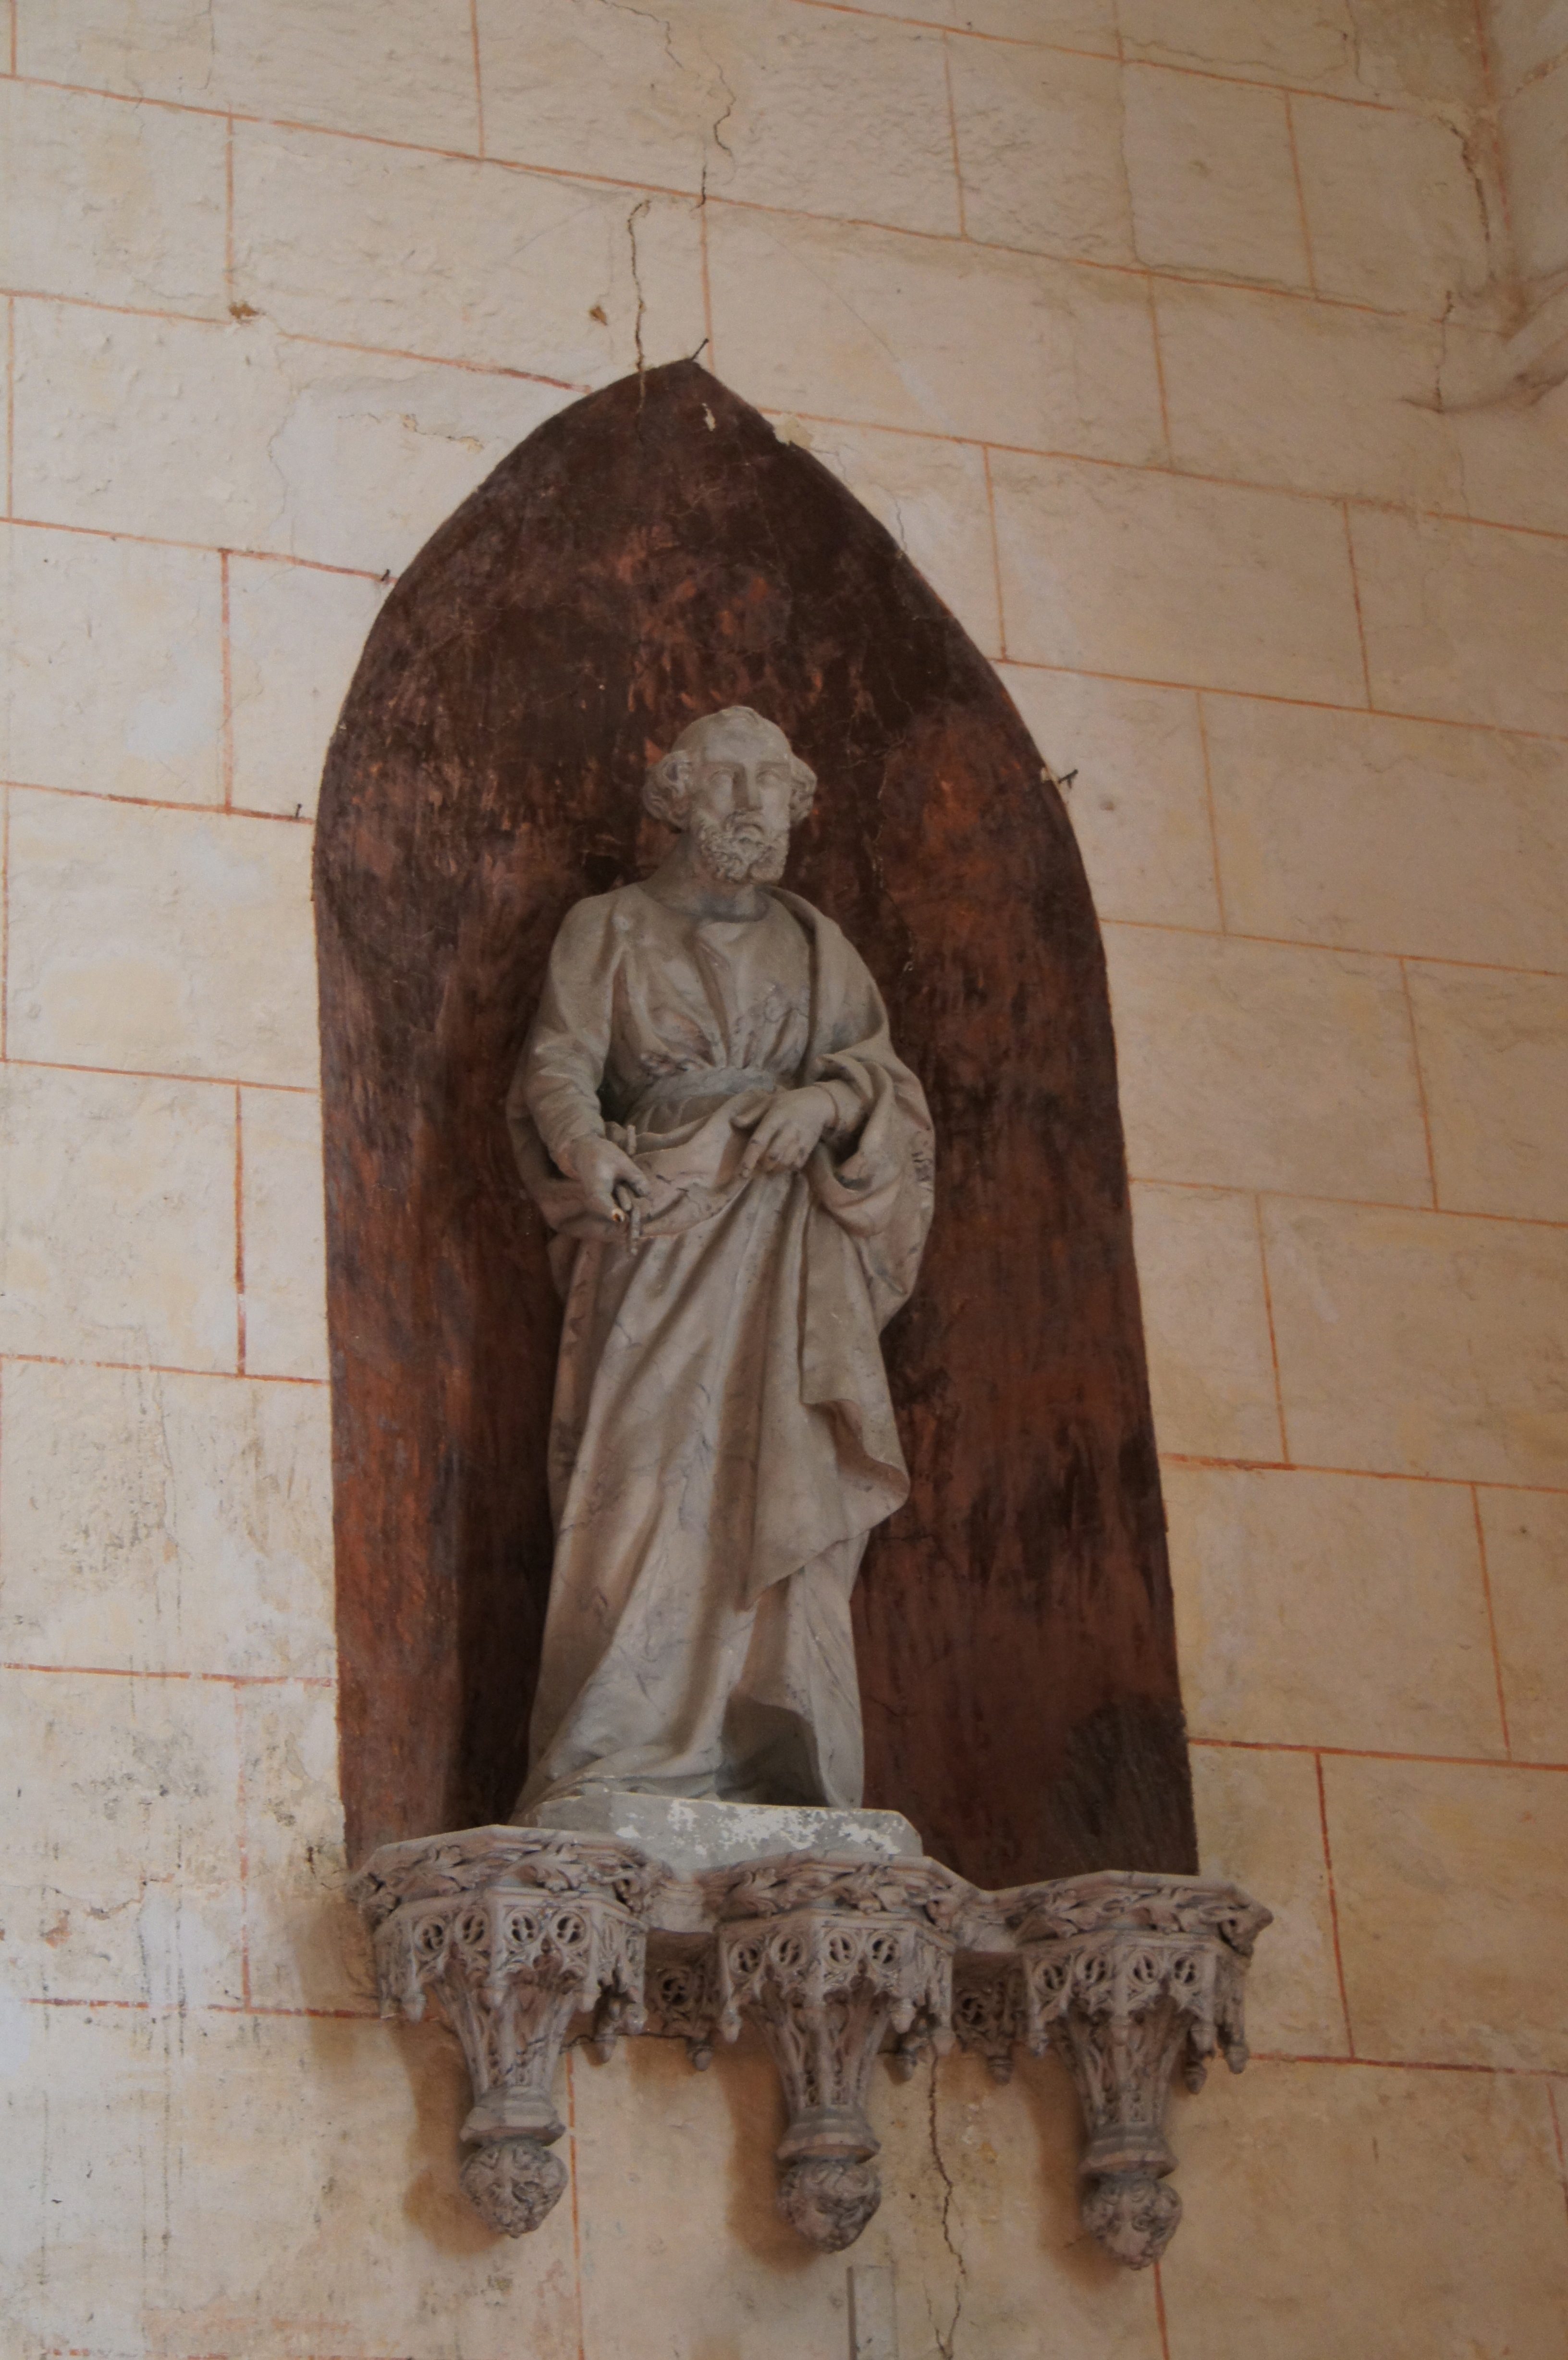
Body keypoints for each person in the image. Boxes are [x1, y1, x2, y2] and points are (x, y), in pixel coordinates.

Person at [507, 706, 933, 1818]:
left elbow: (887, 1085)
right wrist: (588, 1147)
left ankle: (767, 1746)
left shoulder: (818, 945)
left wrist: (823, 1103)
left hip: (792, 1244)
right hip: (661, 1228)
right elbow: (559, 1063)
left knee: (780, 1473)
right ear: (679, 794)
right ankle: (619, 1747)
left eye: (772, 783)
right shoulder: (609, 926)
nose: (753, 803)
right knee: (642, 1476)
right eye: (730, 779)